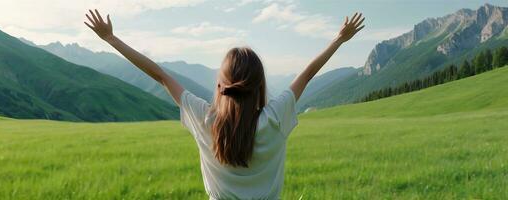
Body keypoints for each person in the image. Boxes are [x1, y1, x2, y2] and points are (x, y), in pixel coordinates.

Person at [85, 9, 364, 199]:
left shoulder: (205, 120)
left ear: (221, 86)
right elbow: (308, 74)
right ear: (260, 87)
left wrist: (111, 39)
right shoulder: (275, 119)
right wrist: (339, 38)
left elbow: (160, 75)